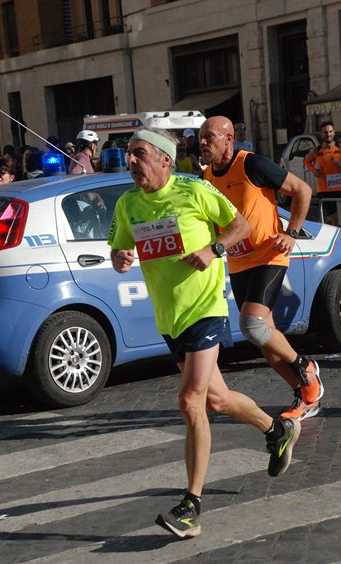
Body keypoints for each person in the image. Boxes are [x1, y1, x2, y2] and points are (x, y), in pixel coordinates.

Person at [108, 127, 301, 539]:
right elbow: (118, 251)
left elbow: (240, 227)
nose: (130, 161)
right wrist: (120, 257)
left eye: (138, 154)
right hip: (169, 317)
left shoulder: (194, 190)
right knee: (216, 398)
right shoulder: (127, 204)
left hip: (205, 309)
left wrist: (214, 249)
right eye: (128, 154)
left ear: (163, 159)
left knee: (190, 399)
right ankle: (276, 430)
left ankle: (191, 506)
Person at [200, 116, 323, 422]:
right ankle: (307, 394)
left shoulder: (252, 164)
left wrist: (291, 233)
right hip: (239, 262)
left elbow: (301, 191)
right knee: (264, 339)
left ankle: (306, 369)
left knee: (252, 324)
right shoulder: (204, 178)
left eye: (209, 137)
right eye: (200, 138)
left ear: (229, 140)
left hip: (269, 255)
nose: (202, 143)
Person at [304, 121, 341, 223]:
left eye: (330, 131)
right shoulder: (316, 151)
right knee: (336, 217)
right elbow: (306, 161)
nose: (328, 134)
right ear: (321, 134)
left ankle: (323, 226)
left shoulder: (340, 148)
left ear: (334, 132)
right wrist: (313, 171)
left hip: (338, 189)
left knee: (335, 217)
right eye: (325, 132)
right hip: (324, 190)